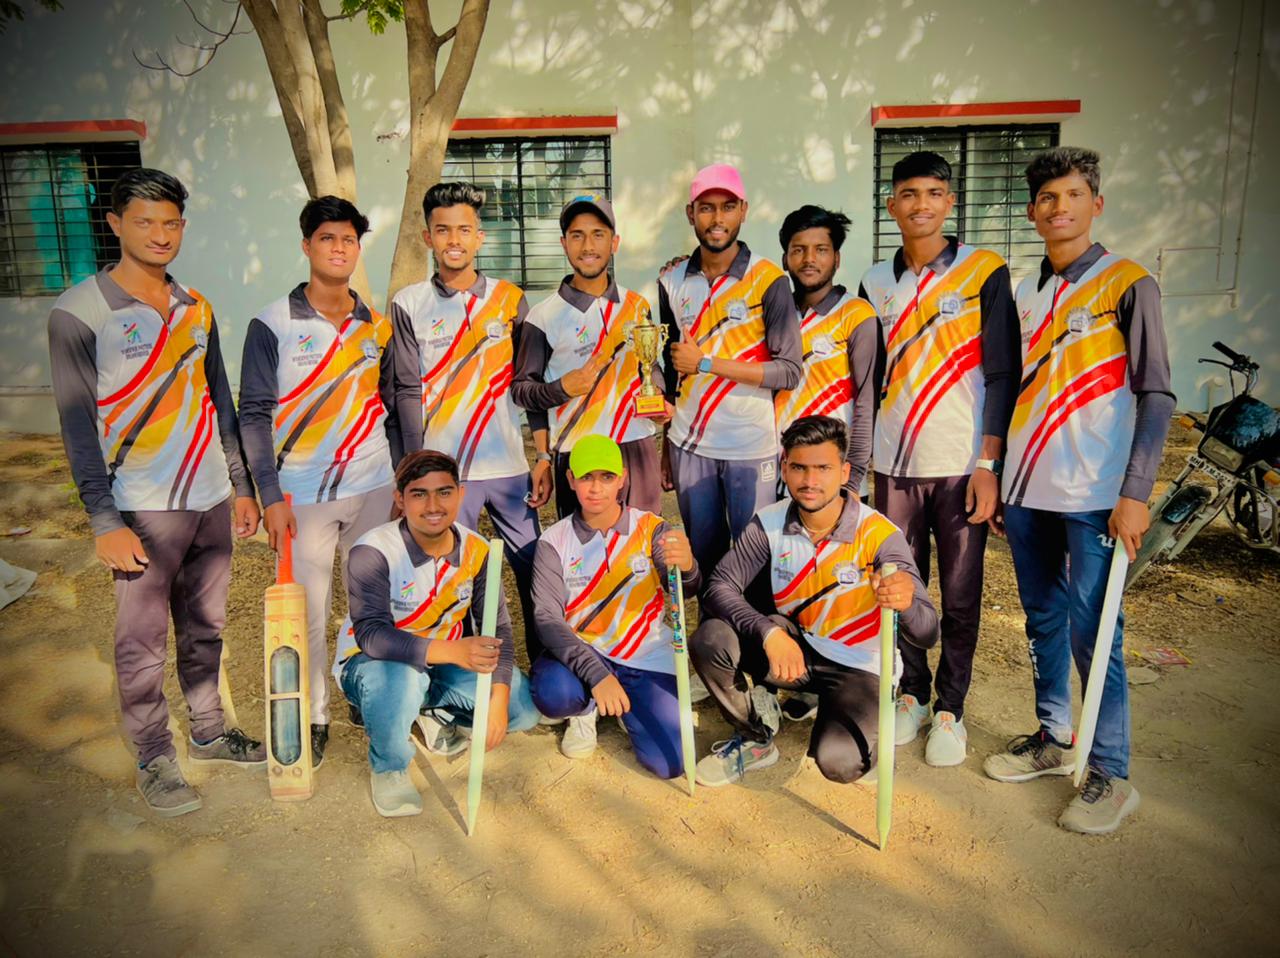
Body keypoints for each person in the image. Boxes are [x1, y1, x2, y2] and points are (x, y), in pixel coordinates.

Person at [47, 168, 264, 817]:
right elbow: (76, 425)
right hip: (141, 507)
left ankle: (208, 732)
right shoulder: (80, 312)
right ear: (115, 224)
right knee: (141, 642)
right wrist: (103, 519)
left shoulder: (197, 307)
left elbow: (220, 399)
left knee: (207, 626)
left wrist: (241, 485)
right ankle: (153, 757)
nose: (160, 234)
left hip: (209, 499)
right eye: (145, 222)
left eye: (171, 223)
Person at [984, 147, 1174, 835]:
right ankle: (1056, 736)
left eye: (1072, 195)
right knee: (1043, 619)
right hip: (1027, 489)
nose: (1059, 207)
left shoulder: (1130, 282)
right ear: (1032, 212)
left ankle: (1111, 773)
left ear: (1096, 203)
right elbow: (1008, 386)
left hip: (1097, 494)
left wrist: (1136, 491)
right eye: (1047, 198)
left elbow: (1156, 394)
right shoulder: (1025, 292)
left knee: (1096, 633)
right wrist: (998, 475)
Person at [858, 151, 1020, 767]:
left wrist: (989, 464)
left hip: (960, 465)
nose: (920, 204)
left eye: (932, 193)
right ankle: (913, 694)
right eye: (908, 194)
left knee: (959, 592)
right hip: (894, 465)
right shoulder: (875, 281)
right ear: (891, 205)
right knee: (900, 585)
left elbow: (1002, 374)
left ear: (950, 202)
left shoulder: (984, 270)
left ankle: (952, 708)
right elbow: (867, 379)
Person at [689, 415, 939, 787]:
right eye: (799, 468)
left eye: (823, 468)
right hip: (795, 649)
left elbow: (928, 633)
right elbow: (719, 586)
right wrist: (769, 633)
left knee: (839, 763)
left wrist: (907, 604)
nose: (810, 481)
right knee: (710, 640)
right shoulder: (768, 522)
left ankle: (848, 718)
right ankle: (755, 738)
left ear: (844, 472)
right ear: (784, 469)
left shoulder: (880, 535)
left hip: (859, 667)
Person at [239, 195, 397, 768]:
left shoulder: (375, 324)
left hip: (373, 485)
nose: (339, 249)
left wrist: (399, 481)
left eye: (349, 240)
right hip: (301, 496)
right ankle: (314, 714)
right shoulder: (272, 323)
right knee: (307, 610)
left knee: (369, 603)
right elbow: (253, 413)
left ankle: (359, 690)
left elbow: (391, 403)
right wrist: (268, 495)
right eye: (327, 238)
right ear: (307, 246)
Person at [334, 449, 539, 817]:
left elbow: (499, 629)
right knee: (400, 680)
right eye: (419, 494)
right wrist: (455, 652)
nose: (433, 505)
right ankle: (389, 766)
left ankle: (433, 712)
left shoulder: (478, 550)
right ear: (400, 499)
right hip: (375, 665)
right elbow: (372, 636)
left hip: (442, 665)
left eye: (444, 492)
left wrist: (497, 700)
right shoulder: (373, 550)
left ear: (460, 494)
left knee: (521, 710)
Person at [391, 182, 546, 660]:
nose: (453, 240)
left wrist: (542, 454)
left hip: (508, 468)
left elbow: (530, 383)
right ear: (428, 237)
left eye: (463, 229)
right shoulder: (409, 303)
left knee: (535, 573)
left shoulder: (510, 299)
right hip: (446, 475)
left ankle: (546, 671)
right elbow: (405, 390)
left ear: (480, 237)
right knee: (453, 582)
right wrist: (414, 471)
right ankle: (466, 676)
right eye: (443, 230)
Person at [658, 163, 802, 589]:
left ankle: (755, 634)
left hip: (750, 447)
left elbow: (789, 371)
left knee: (754, 562)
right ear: (691, 213)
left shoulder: (769, 280)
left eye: (727, 207)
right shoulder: (670, 280)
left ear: (743, 210)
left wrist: (707, 363)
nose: (716, 218)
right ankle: (712, 631)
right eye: (706, 208)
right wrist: (665, 442)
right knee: (703, 558)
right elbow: (669, 368)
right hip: (689, 446)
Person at [528, 435, 700, 775]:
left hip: (643, 653)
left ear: (622, 478)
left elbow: (684, 591)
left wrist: (688, 567)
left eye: (606, 477)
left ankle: (627, 705)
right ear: (570, 480)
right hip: (584, 654)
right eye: (586, 477)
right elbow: (546, 619)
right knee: (553, 693)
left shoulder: (652, 528)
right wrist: (597, 676)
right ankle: (584, 711)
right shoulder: (553, 540)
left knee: (672, 763)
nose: (596, 488)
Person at [772, 205, 879, 723]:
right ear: (785, 257)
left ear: (837, 256)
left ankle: (835, 679)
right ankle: (793, 677)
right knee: (786, 574)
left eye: (820, 249)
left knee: (835, 578)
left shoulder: (857, 315)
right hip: (780, 469)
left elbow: (865, 400)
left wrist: (853, 476)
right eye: (798, 249)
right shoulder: (776, 312)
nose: (809, 259)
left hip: (832, 477)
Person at [512, 194, 664, 518]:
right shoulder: (543, 317)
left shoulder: (637, 306)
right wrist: (561, 389)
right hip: (578, 451)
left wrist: (659, 396)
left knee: (642, 543)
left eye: (598, 234)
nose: (588, 246)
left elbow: (650, 367)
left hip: (635, 446)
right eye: (577, 236)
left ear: (614, 242)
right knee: (582, 548)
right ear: (564, 244)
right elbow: (523, 391)